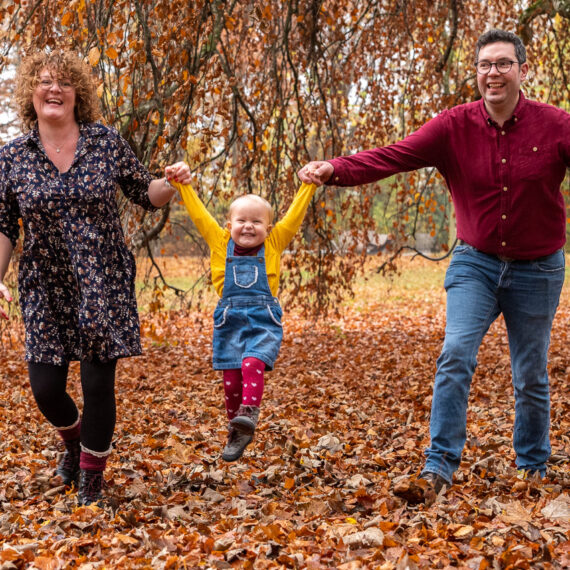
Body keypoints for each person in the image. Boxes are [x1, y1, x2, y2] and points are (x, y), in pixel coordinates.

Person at [298, 29, 570, 501]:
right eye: (485, 65)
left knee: (530, 373)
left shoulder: (557, 125)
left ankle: (533, 468)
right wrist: (335, 169)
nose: (493, 73)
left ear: (523, 71)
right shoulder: (452, 126)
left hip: (539, 269)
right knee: (456, 354)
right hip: (475, 264)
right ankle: (438, 467)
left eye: (503, 64)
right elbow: (392, 156)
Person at [0, 49, 192, 506]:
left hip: (102, 280)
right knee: (46, 389)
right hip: (45, 284)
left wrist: (172, 181)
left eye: (65, 82)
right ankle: (74, 443)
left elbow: (146, 193)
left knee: (97, 385)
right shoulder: (11, 157)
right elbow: (5, 224)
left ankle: (91, 480)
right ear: (31, 92)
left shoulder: (104, 142)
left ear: (77, 94)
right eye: (45, 81)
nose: (55, 89)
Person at [173, 178, 316, 461]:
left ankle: (249, 413)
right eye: (242, 220)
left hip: (263, 321)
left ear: (269, 229)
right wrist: (183, 186)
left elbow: (294, 217)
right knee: (230, 381)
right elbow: (200, 215)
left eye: (257, 222)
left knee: (252, 364)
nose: (248, 226)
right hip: (230, 321)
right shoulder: (219, 242)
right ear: (229, 226)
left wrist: (308, 186)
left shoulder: (273, 243)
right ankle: (237, 431)